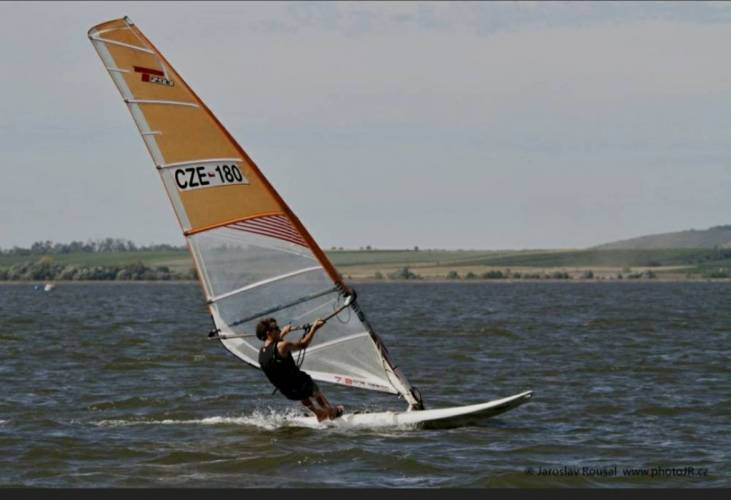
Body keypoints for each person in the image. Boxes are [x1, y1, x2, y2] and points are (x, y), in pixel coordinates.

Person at [256, 317, 344, 421]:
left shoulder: (261, 353)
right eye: (276, 328)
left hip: (288, 392)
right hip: (301, 384)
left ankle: (318, 413)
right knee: (313, 390)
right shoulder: (283, 346)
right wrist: (314, 328)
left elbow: (273, 347)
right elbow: (303, 344)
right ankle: (330, 411)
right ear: (268, 333)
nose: (279, 330)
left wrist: (283, 333)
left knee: (301, 392)